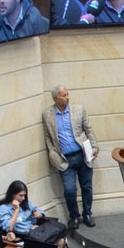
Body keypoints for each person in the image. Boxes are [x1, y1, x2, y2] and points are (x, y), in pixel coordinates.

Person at [42, 85, 99, 229]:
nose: (67, 97)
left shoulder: (79, 109)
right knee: (69, 190)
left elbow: (89, 129)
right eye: (64, 95)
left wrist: (94, 147)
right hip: (64, 159)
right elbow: (48, 136)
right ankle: (74, 216)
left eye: (67, 94)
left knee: (87, 187)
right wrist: (52, 153)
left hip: (82, 155)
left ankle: (87, 214)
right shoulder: (47, 114)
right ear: (55, 98)